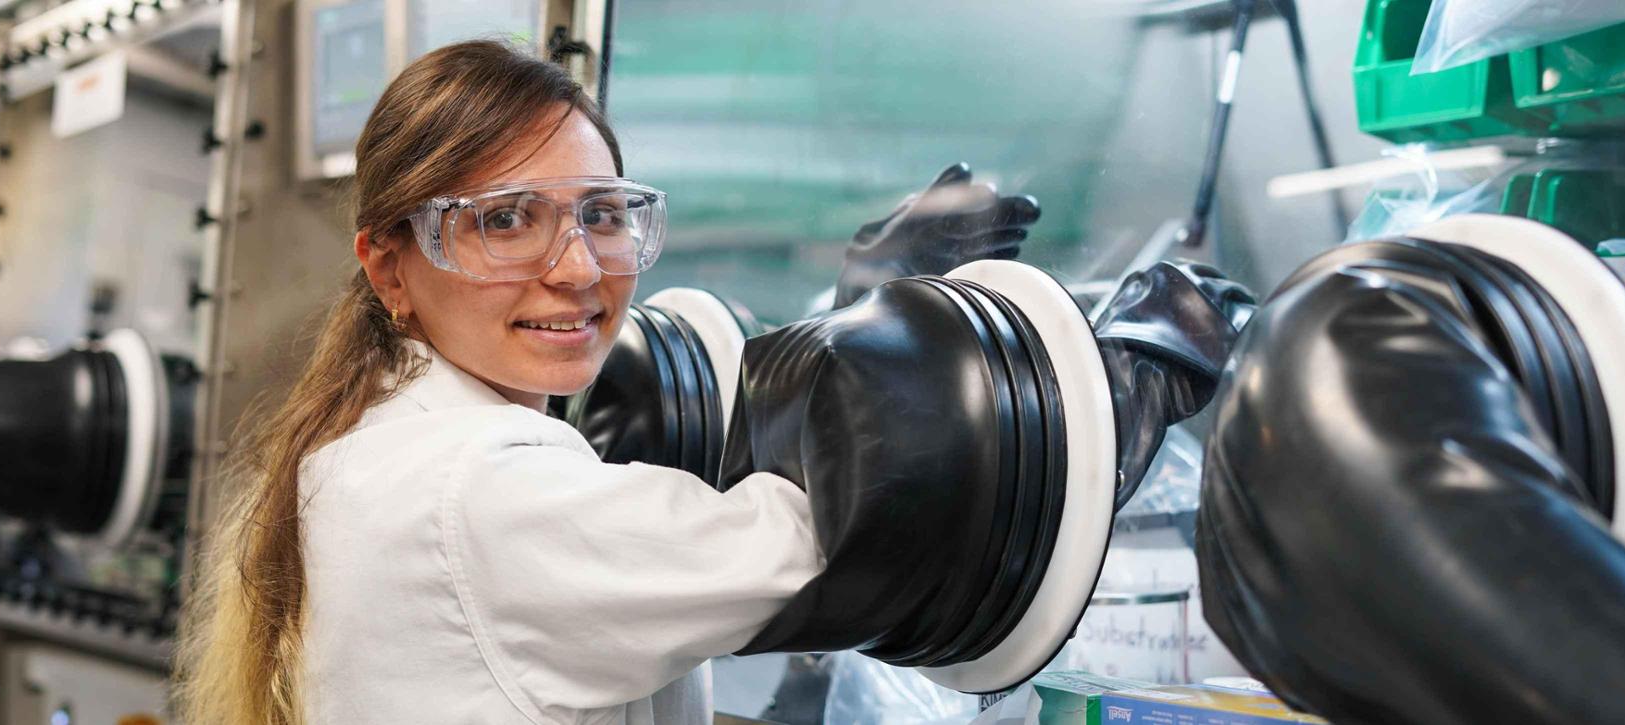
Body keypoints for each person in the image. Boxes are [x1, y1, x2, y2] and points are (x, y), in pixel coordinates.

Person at [173, 40, 1038, 725]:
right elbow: (818, 550)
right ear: (390, 267)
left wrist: (855, 331)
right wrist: (870, 336)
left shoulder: (370, 442)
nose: (578, 268)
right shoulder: (484, 483)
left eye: (601, 214)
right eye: (505, 220)